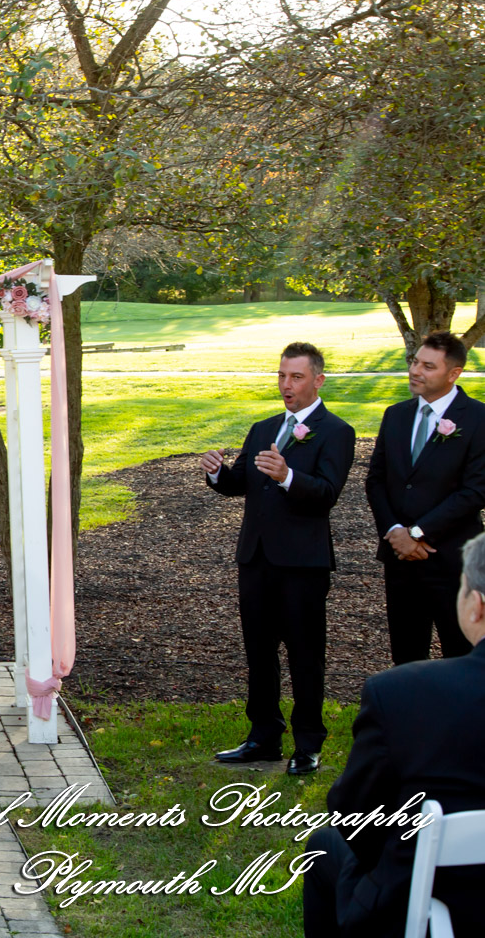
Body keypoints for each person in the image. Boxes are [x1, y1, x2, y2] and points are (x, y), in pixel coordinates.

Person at [301, 531, 485, 938]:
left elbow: (353, 811)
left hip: (431, 904)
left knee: (325, 847)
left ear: (476, 606)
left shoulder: (403, 693)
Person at [201, 341, 356, 776]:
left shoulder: (336, 432)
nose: (286, 385)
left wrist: (289, 476)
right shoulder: (263, 427)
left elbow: (327, 495)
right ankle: (262, 736)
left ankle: (308, 743)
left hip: (303, 564)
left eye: (296, 377)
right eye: (282, 376)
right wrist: (217, 472)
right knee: (258, 650)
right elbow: (239, 485)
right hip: (256, 558)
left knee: (305, 653)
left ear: (318, 380)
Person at [363, 331, 485, 664]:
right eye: (415, 362)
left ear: (453, 373)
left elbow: (476, 491)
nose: (415, 371)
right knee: (406, 657)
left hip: (451, 560)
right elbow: (375, 481)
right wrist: (396, 533)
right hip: (400, 559)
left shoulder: (478, 418)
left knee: (461, 657)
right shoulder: (396, 415)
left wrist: (418, 533)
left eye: (428, 366)